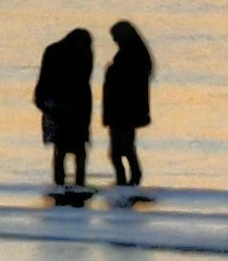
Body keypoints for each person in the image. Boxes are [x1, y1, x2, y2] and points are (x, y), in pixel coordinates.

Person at [31, 26, 95, 196]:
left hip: (57, 106)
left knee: (60, 149)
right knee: (78, 149)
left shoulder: (53, 51)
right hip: (77, 107)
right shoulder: (84, 54)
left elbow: (43, 78)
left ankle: (60, 184)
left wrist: (40, 100)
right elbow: (85, 80)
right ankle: (79, 183)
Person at [102, 19, 156, 190]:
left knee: (121, 149)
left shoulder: (132, 58)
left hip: (124, 110)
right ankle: (126, 180)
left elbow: (126, 81)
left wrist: (112, 70)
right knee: (121, 149)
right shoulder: (135, 57)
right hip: (122, 110)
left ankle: (129, 180)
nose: (115, 41)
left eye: (116, 38)